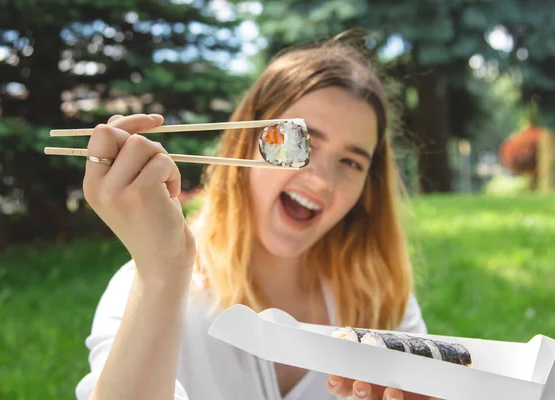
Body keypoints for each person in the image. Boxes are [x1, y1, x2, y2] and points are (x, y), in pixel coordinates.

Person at [75, 36, 438, 400]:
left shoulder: (383, 297)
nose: (322, 181)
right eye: (301, 141)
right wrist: (161, 272)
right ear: (244, 143)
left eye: (351, 162)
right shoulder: (143, 291)